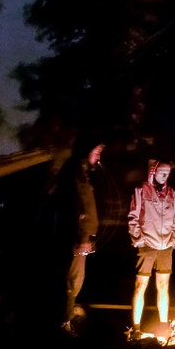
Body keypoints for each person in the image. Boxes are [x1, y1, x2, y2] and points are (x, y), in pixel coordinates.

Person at [55, 141, 104, 336]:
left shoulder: (82, 175)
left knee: (75, 282)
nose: (99, 157)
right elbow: (77, 207)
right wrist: (83, 236)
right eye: (97, 152)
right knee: (72, 282)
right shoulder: (76, 175)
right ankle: (63, 325)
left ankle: (64, 320)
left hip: (82, 239)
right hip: (77, 240)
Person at [127, 158, 175, 338]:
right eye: (162, 172)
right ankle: (136, 327)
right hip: (147, 244)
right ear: (154, 172)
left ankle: (164, 325)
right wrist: (139, 240)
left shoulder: (171, 193)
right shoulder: (141, 190)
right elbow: (133, 217)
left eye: (167, 173)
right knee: (141, 285)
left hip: (166, 246)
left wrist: (173, 238)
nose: (164, 176)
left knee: (163, 285)